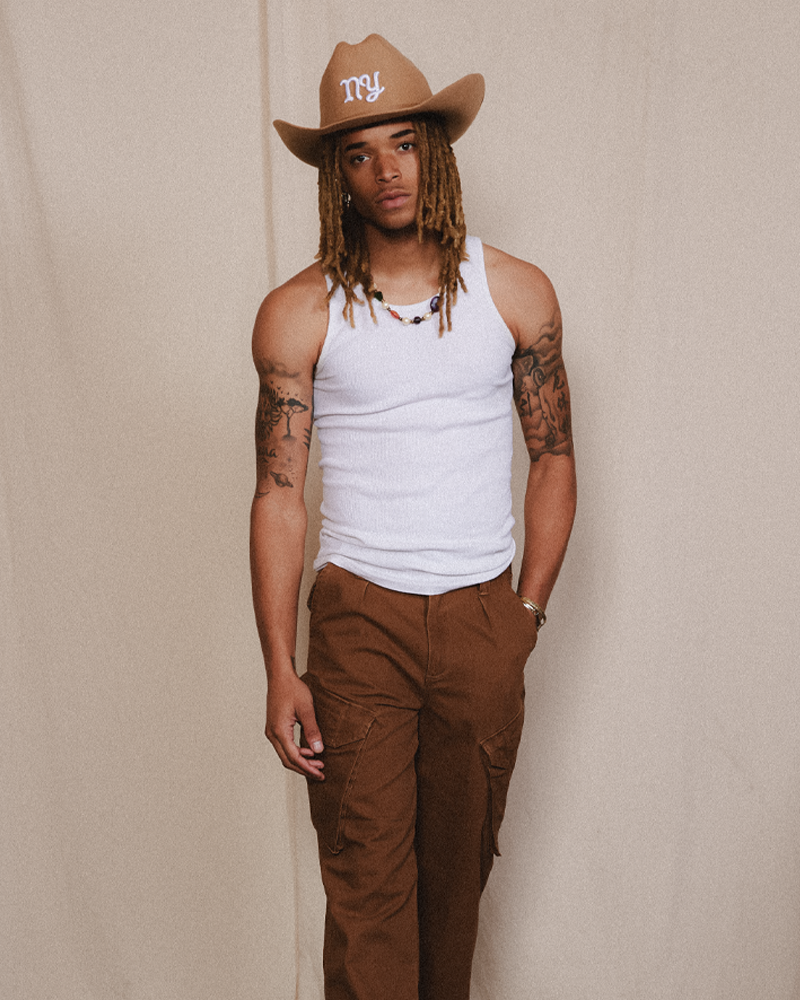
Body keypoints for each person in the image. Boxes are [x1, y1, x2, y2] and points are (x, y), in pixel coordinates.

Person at [250, 34, 576, 1000]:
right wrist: (280, 667)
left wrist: (526, 616)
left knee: (455, 892)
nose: (385, 170)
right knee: (368, 901)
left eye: (403, 142)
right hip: (360, 627)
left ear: (435, 149)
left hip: (482, 615)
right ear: (334, 175)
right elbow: (278, 492)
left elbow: (554, 457)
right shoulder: (298, 313)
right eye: (358, 152)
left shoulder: (515, 293)